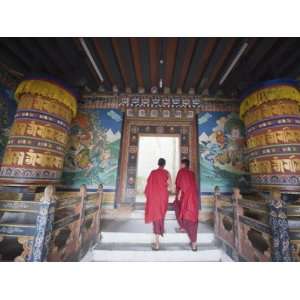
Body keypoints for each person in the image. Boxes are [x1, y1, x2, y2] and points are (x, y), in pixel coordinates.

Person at [145, 158, 171, 250]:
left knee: (156, 218)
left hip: (154, 199)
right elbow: (169, 187)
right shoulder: (167, 173)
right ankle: (157, 241)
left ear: (158, 164)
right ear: (164, 164)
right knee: (160, 216)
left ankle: (157, 244)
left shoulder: (153, 173)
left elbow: (148, 186)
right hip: (163, 198)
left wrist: (150, 195)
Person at [174, 159, 199, 251]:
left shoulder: (181, 171)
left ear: (183, 165)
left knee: (178, 207)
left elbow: (178, 185)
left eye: (181, 164)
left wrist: (178, 195)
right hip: (194, 197)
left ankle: (183, 227)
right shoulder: (192, 173)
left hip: (186, 197)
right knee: (192, 217)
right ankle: (194, 243)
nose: (180, 165)